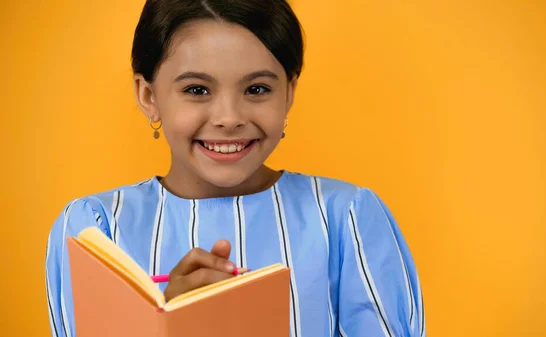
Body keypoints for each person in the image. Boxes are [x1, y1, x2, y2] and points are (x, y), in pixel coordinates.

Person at [45, 0, 425, 336]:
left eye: (257, 89)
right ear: (148, 96)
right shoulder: (94, 231)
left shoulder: (346, 218)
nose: (229, 118)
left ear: (289, 92)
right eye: (196, 89)